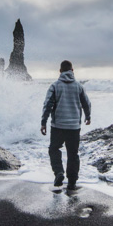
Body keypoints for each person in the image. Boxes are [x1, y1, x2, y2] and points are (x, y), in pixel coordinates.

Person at [41, 60, 91, 190]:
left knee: (54, 149)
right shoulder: (78, 86)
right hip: (74, 127)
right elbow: (86, 103)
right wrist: (88, 116)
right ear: (72, 71)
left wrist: (43, 122)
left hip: (58, 126)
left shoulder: (55, 86)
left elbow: (48, 105)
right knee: (73, 154)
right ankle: (72, 182)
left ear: (60, 71)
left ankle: (59, 172)